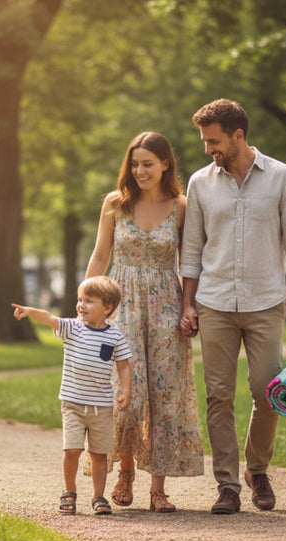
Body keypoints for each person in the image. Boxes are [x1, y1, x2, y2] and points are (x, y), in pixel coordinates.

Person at [180, 98, 286, 514]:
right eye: (205, 142)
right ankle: (227, 485)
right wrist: (188, 303)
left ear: (239, 135)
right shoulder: (200, 183)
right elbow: (191, 249)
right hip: (215, 302)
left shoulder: (281, 177)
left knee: (268, 391)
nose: (209, 149)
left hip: (265, 300)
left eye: (214, 141)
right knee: (218, 396)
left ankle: (256, 470)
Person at [86, 131, 204, 513]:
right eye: (135, 164)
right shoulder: (115, 204)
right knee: (127, 391)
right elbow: (101, 255)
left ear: (166, 163)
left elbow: (190, 264)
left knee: (165, 393)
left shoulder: (181, 206)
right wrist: (86, 303)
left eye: (148, 164)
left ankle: (159, 488)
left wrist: (190, 306)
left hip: (166, 307)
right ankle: (124, 473)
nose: (140, 171)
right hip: (121, 307)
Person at [12, 275, 132, 516]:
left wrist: (126, 391)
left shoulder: (115, 335)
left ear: (107, 308)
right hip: (73, 403)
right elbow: (50, 318)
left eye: (89, 301)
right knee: (72, 450)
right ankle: (69, 492)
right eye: (80, 300)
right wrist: (30, 311)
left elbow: (124, 364)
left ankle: (98, 497)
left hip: (101, 407)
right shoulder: (72, 328)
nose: (81, 305)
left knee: (99, 454)